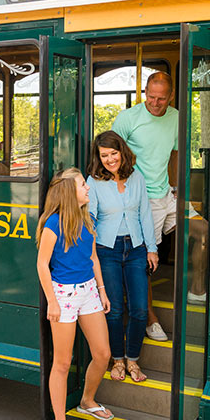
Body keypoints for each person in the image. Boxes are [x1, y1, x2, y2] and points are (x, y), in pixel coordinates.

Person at [36, 168, 114, 420]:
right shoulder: (53, 225)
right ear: (70, 191)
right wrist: (53, 302)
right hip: (64, 295)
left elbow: (93, 258)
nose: (88, 188)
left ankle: (87, 401)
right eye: (83, 185)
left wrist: (102, 291)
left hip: (89, 291)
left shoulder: (86, 220)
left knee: (103, 353)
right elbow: (42, 265)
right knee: (62, 362)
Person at [86, 131, 157, 383]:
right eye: (104, 155)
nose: (109, 159)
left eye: (113, 153)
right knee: (114, 310)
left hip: (136, 248)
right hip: (107, 250)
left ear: (122, 152)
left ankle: (133, 361)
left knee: (138, 309)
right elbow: (91, 214)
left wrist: (151, 248)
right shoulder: (93, 181)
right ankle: (117, 359)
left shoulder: (137, 177)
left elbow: (145, 213)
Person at [111, 71, 177, 341]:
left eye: (161, 98)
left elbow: (174, 153)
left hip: (167, 194)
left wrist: (177, 188)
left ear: (170, 97)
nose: (155, 102)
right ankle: (150, 318)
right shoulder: (128, 118)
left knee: (201, 232)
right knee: (145, 259)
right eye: (151, 96)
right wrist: (124, 194)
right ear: (144, 92)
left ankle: (198, 294)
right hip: (141, 199)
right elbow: (110, 156)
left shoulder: (175, 118)